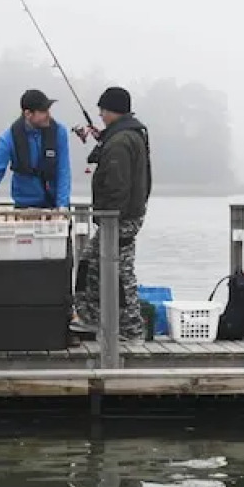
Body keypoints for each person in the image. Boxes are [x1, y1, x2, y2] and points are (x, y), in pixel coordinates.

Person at [75, 87, 152, 340]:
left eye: (103, 110)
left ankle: (131, 329)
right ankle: (93, 319)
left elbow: (117, 185)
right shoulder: (127, 136)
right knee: (91, 264)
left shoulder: (120, 142)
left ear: (112, 111)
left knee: (120, 272)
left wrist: (107, 219)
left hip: (119, 219)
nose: (100, 114)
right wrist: (104, 139)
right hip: (126, 216)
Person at [0, 89, 72, 213]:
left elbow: (63, 170)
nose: (48, 115)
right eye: (43, 111)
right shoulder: (8, 138)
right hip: (23, 207)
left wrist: (63, 206)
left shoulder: (59, 132)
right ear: (28, 114)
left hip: (54, 206)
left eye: (48, 110)